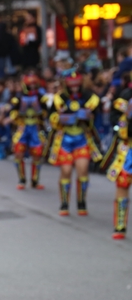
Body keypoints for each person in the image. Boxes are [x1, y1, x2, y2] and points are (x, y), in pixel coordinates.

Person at [47, 69, 102, 216]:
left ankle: (81, 201)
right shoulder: (59, 98)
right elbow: (51, 117)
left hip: (82, 137)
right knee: (66, 170)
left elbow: (96, 116)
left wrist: (88, 116)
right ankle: (64, 202)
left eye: (77, 85)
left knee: (82, 169)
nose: (74, 88)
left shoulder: (90, 97)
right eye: (71, 85)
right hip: (65, 138)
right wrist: (60, 118)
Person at [101, 73, 132, 238]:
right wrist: (123, 122)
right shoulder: (126, 95)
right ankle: (120, 225)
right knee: (122, 184)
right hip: (129, 148)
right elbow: (115, 119)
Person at [9, 72, 49, 189]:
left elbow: (46, 114)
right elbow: (12, 112)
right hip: (23, 127)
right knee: (18, 153)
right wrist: (19, 112)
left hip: (35, 128)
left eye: (33, 85)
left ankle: (35, 180)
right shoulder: (19, 97)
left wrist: (39, 110)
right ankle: (21, 180)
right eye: (29, 85)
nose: (31, 87)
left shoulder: (41, 98)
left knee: (37, 154)